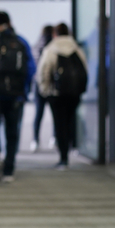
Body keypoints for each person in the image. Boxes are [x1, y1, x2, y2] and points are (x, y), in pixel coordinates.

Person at [0, 11, 36, 185]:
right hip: (15, 96)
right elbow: (31, 68)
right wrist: (23, 90)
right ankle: (9, 170)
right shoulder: (21, 41)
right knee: (12, 133)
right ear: (10, 22)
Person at [36, 22, 88, 170]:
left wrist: (45, 90)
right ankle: (72, 147)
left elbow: (44, 71)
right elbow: (85, 69)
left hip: (56, 94)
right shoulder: (77, 49)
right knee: (70, 120)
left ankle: (63, 158)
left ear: (55, 34)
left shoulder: (51, 49)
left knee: (60, 124)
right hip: (74, 93)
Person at [29, 25, 55, 152]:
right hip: (51, 84)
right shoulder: (52, 47)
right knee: (55, 113)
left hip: (37, 84)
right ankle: (54, 138)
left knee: (38, 114)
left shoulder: (36, 46)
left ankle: (35, 140)